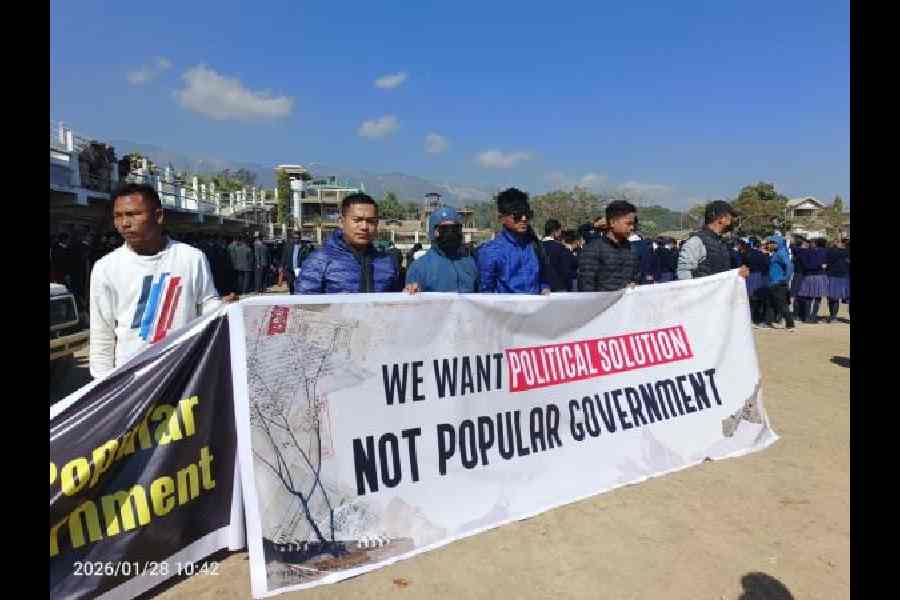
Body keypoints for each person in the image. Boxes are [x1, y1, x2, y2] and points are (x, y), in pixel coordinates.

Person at [88, 183, 236, 379]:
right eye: (118, 215)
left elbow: (207, 306)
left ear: (158, 216)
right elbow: (102, 334)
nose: (124, 223)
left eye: (133, 214)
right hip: (134, 381)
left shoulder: (191, 258)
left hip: (184, 374)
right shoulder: (106, 268)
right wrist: (103, 386)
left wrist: (225, 309)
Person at [296, 193, 401, 294]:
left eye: (370, 221)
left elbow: (395, 303)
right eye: (357, 220)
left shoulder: (386, 262)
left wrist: (409, 293)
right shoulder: (320, 260)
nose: (364, 226)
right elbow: (303, 306)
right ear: (341, 222)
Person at [476, 188, 551, 295]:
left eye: (527, 214)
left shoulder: (536, 246)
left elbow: (543, 279)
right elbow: (486, 293)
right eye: (517, 215)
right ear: (502, 218)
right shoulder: (490, 251)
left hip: (534, 310)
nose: (524, 218)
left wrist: (544, 288)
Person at [404, 206, 479, 293]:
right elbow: (411, 301)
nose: (450, 234)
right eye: (444, 229)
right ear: (433, 232)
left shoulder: (470, 264)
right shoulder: (418, 268)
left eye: (455, 229)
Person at [577, 200, 641, 292]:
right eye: (628, 223)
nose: (632, 227)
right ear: (612, 222)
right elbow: (586, 287)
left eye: (633, 224)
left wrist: (634, 284)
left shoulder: (632, 249)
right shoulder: (593, 249)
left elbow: (636, 277)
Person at [677, 200, 749, 280]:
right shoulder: (696, 241)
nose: (733, 219)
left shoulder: (722, 243)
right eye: (730, 216)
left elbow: (723, 272)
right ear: (721, 218)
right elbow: (684, 273)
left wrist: (738, 273)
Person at [763, 236, 795, 331]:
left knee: (782, 304)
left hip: (778, 283)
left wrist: (786, 278)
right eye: (769, 243)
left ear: (778, 243)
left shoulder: (781, 253)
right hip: (772, 283)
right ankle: (768, 322)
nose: (769, 245)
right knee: (770, 303)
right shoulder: (776, 253)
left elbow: (789, 265)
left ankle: (790, 324)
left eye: (771, 243)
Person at [796, 237, 829, 323]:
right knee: (815, 297)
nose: (811, 244)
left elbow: (805, 264)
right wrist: (820, 265)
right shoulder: (824, 252)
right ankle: (811, 317)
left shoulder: (805, 252)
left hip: (810, 276)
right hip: (818, 276)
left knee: (809, 297)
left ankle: (809, 317)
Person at [739, 238, 770, 326]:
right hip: (760, 277)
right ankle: (757, 319)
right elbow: (767, 266)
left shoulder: (746, 254)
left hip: (750, 276)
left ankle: (749, 319)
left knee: (749, 299)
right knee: (758, 299)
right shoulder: (763, 255)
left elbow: (743, 264)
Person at [541, 219, 578, 292]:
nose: (561, 233)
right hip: (559, 286)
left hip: (543, 288)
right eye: (560, 230)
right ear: (555, 231)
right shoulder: (560, 248)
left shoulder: (537, 246)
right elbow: (567, 269)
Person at [825, 239, 850, 323]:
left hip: (833, 276)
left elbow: (826, 263)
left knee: (833, 297)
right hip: (845, 277)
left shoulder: (830, 251)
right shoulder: (846, 252)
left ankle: (833, 317)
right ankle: (834, 317)